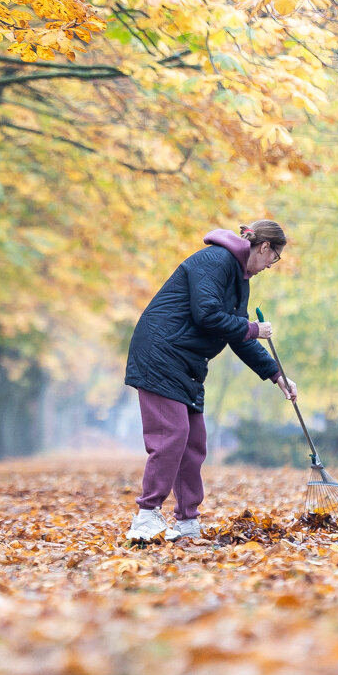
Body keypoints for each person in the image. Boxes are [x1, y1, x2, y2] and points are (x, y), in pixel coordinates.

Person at [123, 221, 297, 542]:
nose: (269, 266)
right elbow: (207, 314)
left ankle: (187, 521)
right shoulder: (214, 261)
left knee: (193, 443)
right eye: (273, 260)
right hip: (161, 354)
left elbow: (236, 334)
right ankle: (146, 516)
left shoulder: (239, 279)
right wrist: (253, 329)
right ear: (263, 248)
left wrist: (276, 374)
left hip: (187, 363)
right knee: (171, 435)